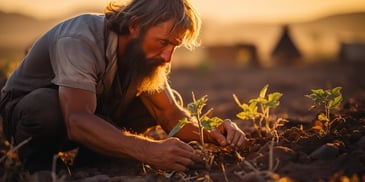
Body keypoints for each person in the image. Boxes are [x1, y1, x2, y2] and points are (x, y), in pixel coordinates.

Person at [0, 0, 246, 173]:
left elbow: (170, 115)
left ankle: (92, 161)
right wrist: (148, 150)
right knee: (47, 107)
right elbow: (76, 119)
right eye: (162, 42)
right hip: (29, 116)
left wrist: (212, 133)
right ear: (135, 26)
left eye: (174, 46)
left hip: (90, 113)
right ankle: (39, 166)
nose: (168, 56)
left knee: (146, 107)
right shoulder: (80, 39)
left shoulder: (149, 55)